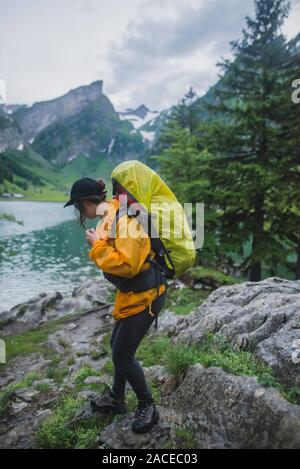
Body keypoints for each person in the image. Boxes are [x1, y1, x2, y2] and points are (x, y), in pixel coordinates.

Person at [63, 176, 168, 434]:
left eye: (78, 206)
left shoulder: (124, 217)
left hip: (147, 295)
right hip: (133, 294)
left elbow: (128, 265)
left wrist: (96, 245)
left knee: (122, 354)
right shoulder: (111, 215)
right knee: (116, 346)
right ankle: (116, 398)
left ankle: (148, 405)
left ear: (88, 202)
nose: (80, 212)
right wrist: (100, 243)